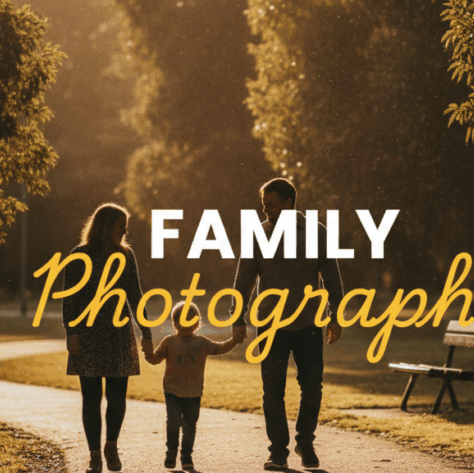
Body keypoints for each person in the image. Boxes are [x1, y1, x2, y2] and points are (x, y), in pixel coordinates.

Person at [230, 178, 344, 470]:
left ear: (289, 203)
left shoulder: (317, 233)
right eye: (264, 204)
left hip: (308, 324)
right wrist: (237, 317)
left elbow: (332, 277)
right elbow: (243, 279)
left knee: (312, 387)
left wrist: (336, 317)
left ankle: (305, 442)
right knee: (272, 390)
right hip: (270, 325)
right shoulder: (258, 232)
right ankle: (278, 451)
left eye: (271, 204)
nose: (265, 210)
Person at [62, 203, 154, 473]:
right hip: (87, 333)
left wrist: (146, 333)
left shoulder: (126, 256)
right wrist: (72, 331)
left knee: (117, 397)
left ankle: (111, 447)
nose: (125, 230)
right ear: (104, 226)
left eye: (125, 225)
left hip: (118, 334)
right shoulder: (79, 255)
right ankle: (94, 456)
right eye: (120, 225)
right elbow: (70, 297)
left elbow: (135, 296)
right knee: (91, 397)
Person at [145, 302, 241, 471]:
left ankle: (186, 456)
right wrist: (148, 354)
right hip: (172, 391)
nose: (184, 328)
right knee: (173, 421)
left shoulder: (201, 342)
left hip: (194, 393)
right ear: (174, 324)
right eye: (180, 324)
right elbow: (155, 359)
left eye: (188, 323)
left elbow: (219, 348)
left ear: (197, 324)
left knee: (190, 425)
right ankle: (171, 451)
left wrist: (234, 340)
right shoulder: (169, 342)